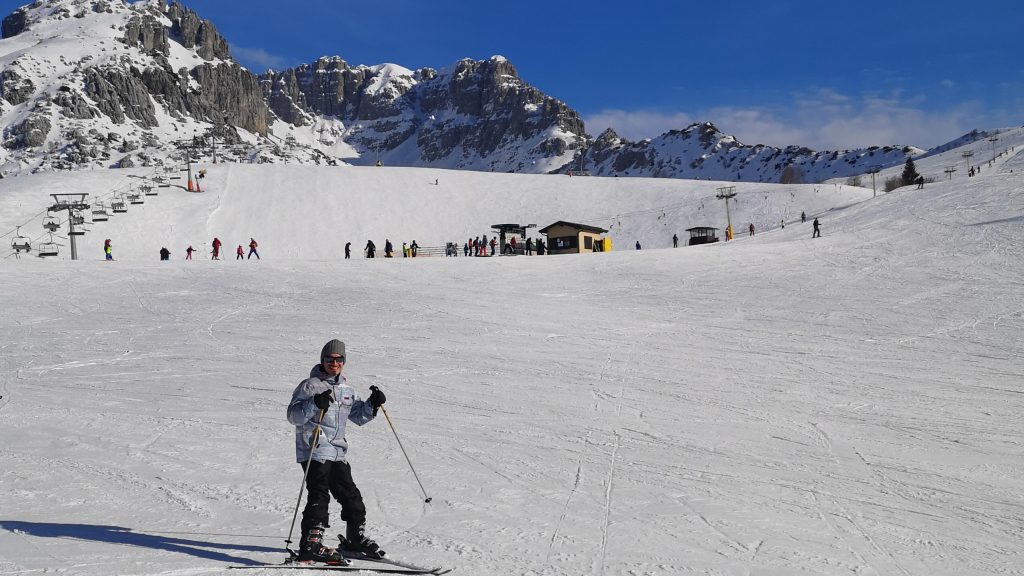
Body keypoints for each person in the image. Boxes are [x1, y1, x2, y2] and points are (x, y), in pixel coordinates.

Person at [287, 339, 388, 563]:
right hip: (314, 448)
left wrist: (372, 404)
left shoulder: (346, 389)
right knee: (319, 494)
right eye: (329, 359)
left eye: (339, 359)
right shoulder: (310, 386)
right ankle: (310, 545)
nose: (334, 363)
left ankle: (354, 539)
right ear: (322, 360)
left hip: (337, 451)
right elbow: (293, 416)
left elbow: (358, 417)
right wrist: (314, 402)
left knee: (351, 496)